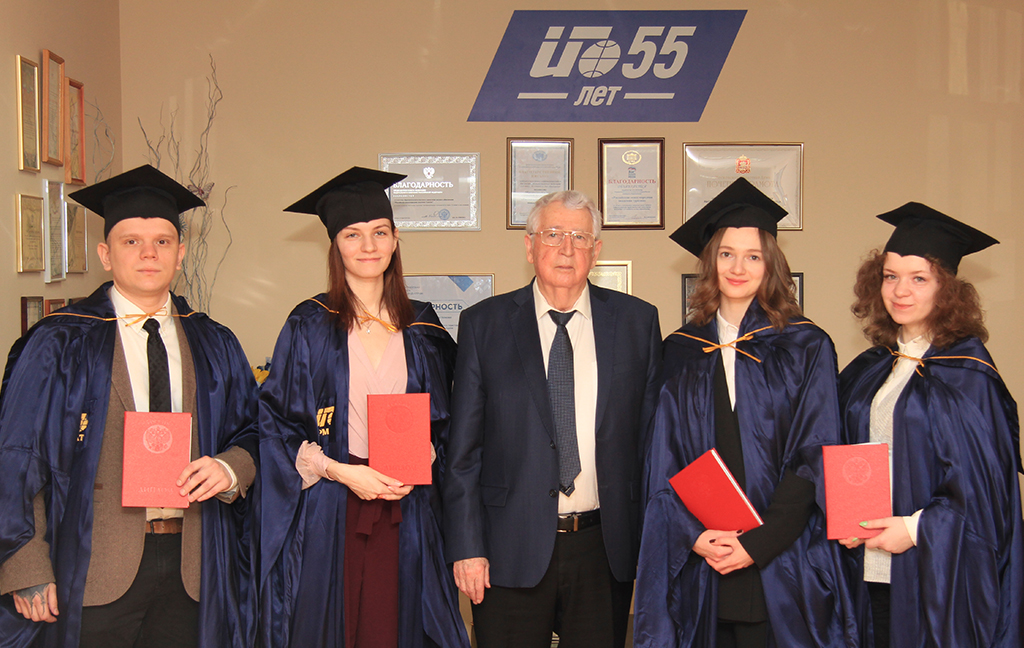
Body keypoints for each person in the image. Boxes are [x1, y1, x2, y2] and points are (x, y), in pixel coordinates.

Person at [0, 165, 259, 648]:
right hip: (92, 568)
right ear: (105, 254)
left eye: (162, 241)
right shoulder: (58, 342)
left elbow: (255, 430)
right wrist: (24, 563)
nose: (148, 253)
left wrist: (230, 467)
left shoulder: (214, 341)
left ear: (180, 254)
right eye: (131, 241)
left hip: (193, 566)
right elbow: (16, 455)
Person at [634, 178, 860, 648]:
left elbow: (815, 452)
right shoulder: (681, 350)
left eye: (753, 256)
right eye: (727, 254)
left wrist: (757, 544)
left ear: (771, 265)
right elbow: (661, 457)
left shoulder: (806, 346)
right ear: (710, 262)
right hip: (704, 559)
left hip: (783, 559)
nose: (738, 268)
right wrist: (692, 534)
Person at [257, 167, 469, 648]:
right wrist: (340, 471)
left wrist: (426, 455)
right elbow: (275, 422)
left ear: (395, 241)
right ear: (335, 246)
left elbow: (450, 421)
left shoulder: (424, 327)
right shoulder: (310, 323)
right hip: (333, 507)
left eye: (380, 232)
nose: (368, 245)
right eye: (353, 235)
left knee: (402, 626)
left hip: (409, 505)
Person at [443, 190, 661, 648]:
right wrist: (466, 547)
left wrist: (653, 543)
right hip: (506, 547)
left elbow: (651, 444)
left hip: (605, 548)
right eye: (553, 234)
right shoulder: (484, 324)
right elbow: (463, 452)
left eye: (580, 237)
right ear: (529, 246)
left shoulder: (637, 322)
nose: (566, 248)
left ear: (596, 251)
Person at [838, 203, 1022, 647]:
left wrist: (914, 528)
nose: (901, 291)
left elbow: (986, 492)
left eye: (919, 278)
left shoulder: (968, 374)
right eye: (890, 276)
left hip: (935, 571)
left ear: (947, 289)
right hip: (864, 567)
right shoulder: (870, 368)